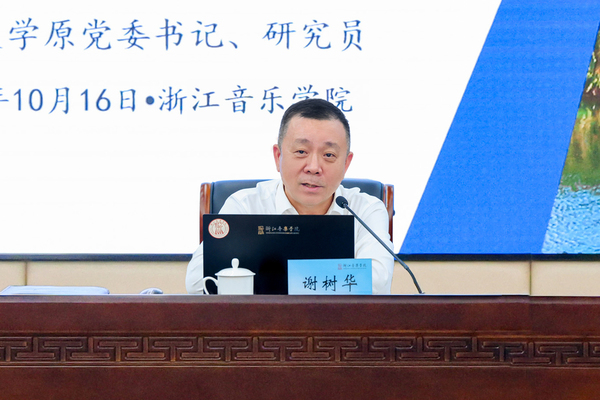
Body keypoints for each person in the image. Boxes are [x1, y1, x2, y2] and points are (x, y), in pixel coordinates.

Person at [186, 98, 394, 294]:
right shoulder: (245, 206)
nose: (314, 167)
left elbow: (377, 281)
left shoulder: (365, 209)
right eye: (301, 151)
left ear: (346, 164)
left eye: (329, 155)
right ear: (278, 156)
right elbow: (197, 283)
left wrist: (272, 276)